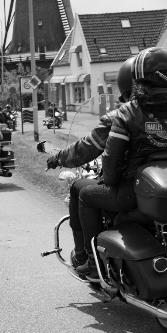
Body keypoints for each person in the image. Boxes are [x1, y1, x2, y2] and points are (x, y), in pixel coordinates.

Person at [76, 47, 167, 280]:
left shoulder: (128, 112)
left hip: (132, 190)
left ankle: (93, 264)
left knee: (86, 195)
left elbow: (111, 158)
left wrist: (110, 182)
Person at [46, 56, 135, 279]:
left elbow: (88, 148)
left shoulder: (125, 115)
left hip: (131, 188)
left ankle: (88, 258)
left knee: (81, 189)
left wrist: (58, 158)